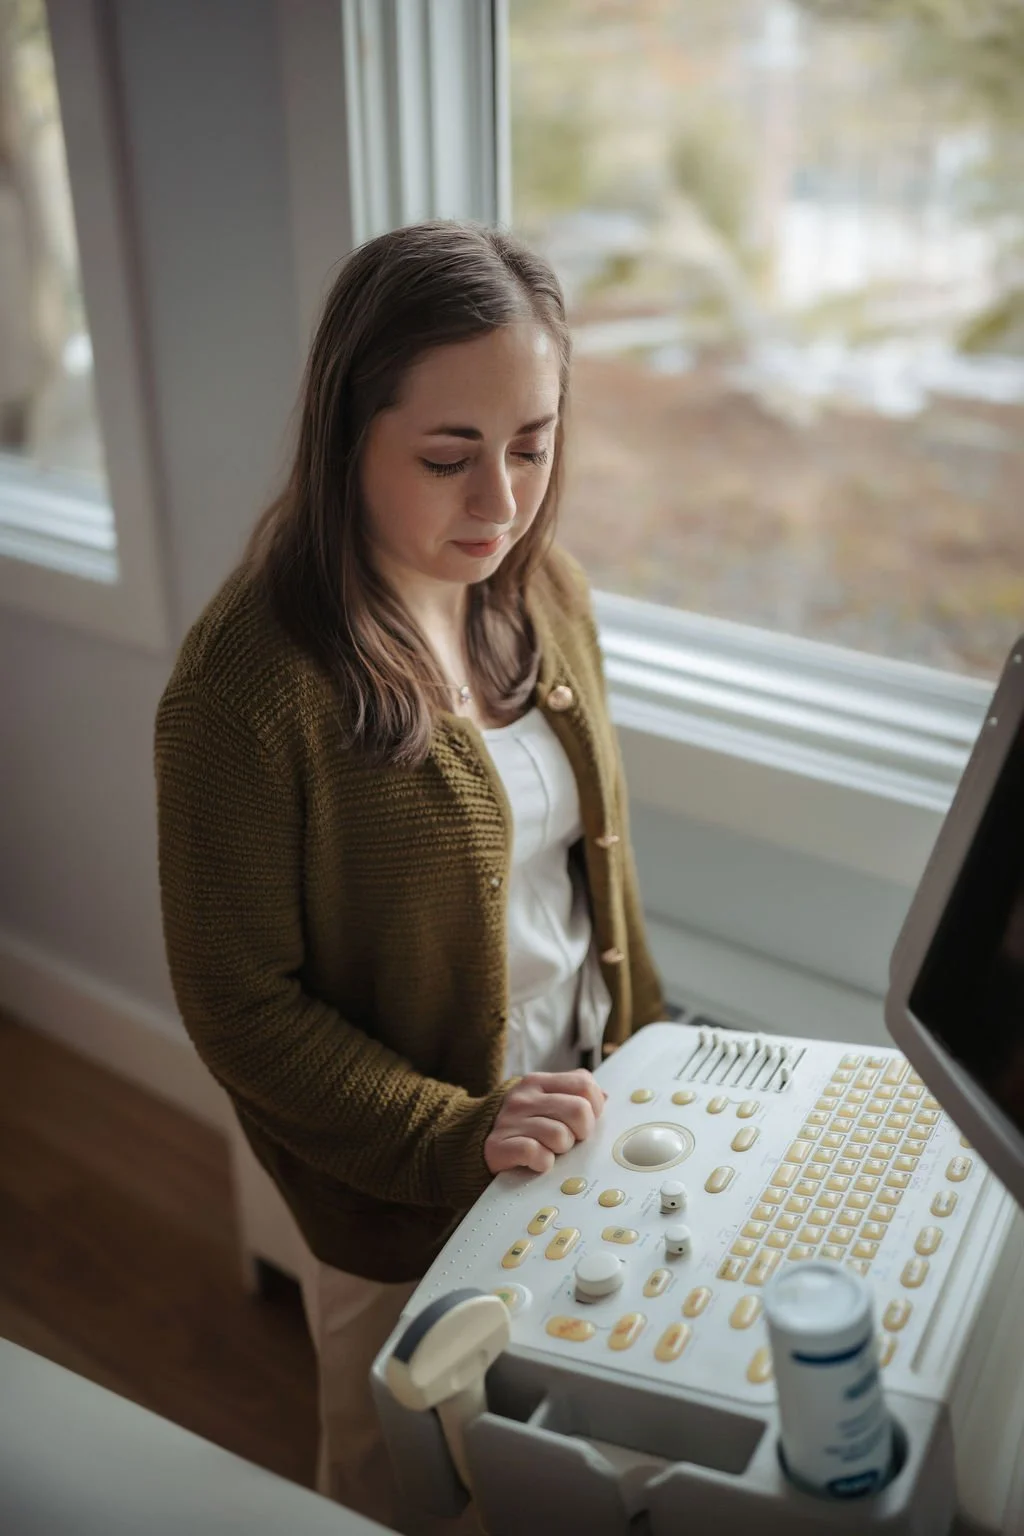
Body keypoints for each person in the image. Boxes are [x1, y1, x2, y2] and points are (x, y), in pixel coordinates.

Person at [154, 219, 664, 1531]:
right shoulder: (247, 693)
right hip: (398, 1193)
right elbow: (239, 1004)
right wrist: (452, 1135)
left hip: (579, 1127)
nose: (502, 501)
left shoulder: (546, 595)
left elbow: (586, 882)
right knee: (401, 1489)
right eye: (448, 456)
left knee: (569, 1465)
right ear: (347, 441)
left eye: (533, 445)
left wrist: (656, 1050)